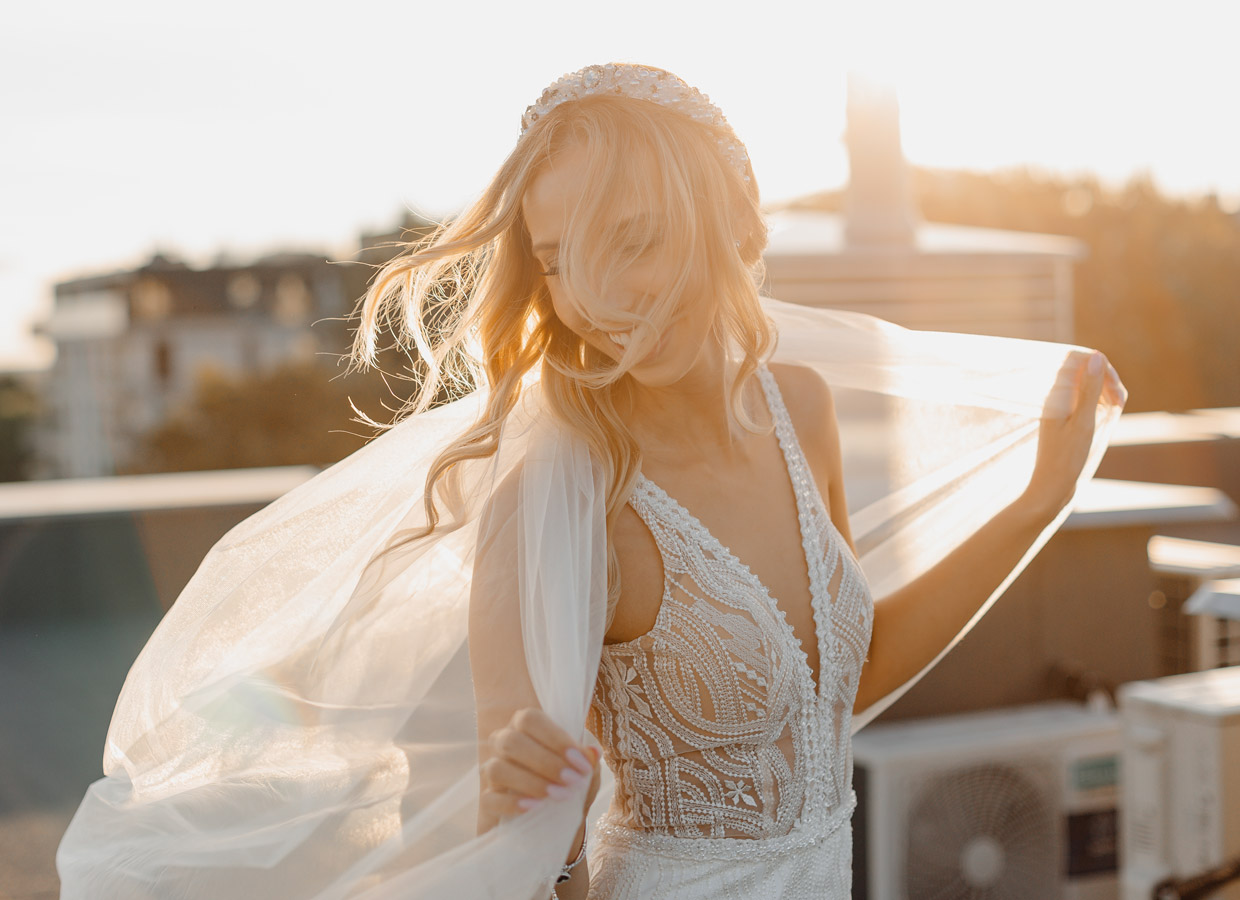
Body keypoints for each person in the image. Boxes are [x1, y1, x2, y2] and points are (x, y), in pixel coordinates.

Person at [57, 63, 1125, 900]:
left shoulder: (798, 408)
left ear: (724, 224)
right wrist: (514, 772)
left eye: (636, 241)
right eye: (559, 256)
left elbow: (844, 685)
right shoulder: (559, 486)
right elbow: (518, 814)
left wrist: (1037, 499)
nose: (594, 297)